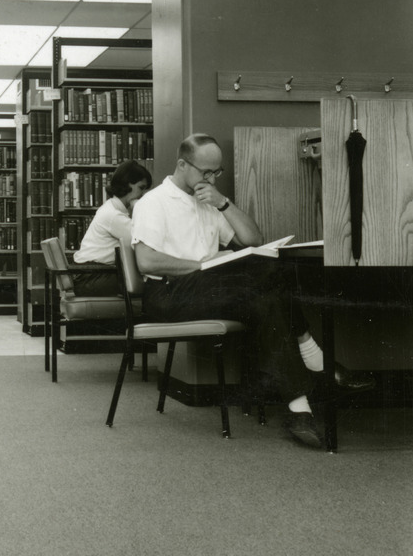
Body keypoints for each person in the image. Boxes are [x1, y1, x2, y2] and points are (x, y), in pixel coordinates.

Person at [131, 133, 373, 449]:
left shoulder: (207, 201)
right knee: (266, 279)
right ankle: (315, 358)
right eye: (206, 172)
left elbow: (253, 240)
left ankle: (299, 408)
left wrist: (223, 203)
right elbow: (146, 260)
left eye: (216, 172)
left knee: (266, 292)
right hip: (167, 295)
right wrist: (204, 263)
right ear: (181, 164)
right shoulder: (154, 202)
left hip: (204, 290)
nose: (212, 178)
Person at [72, 160, 152, 295]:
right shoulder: (114, 215)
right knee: (154, 285)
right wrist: (140, 209)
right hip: (92, 277)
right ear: (128, 185)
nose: (143, 194)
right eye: (141, 188)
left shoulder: (112, 208)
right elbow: (146, 240)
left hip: (91, 275)